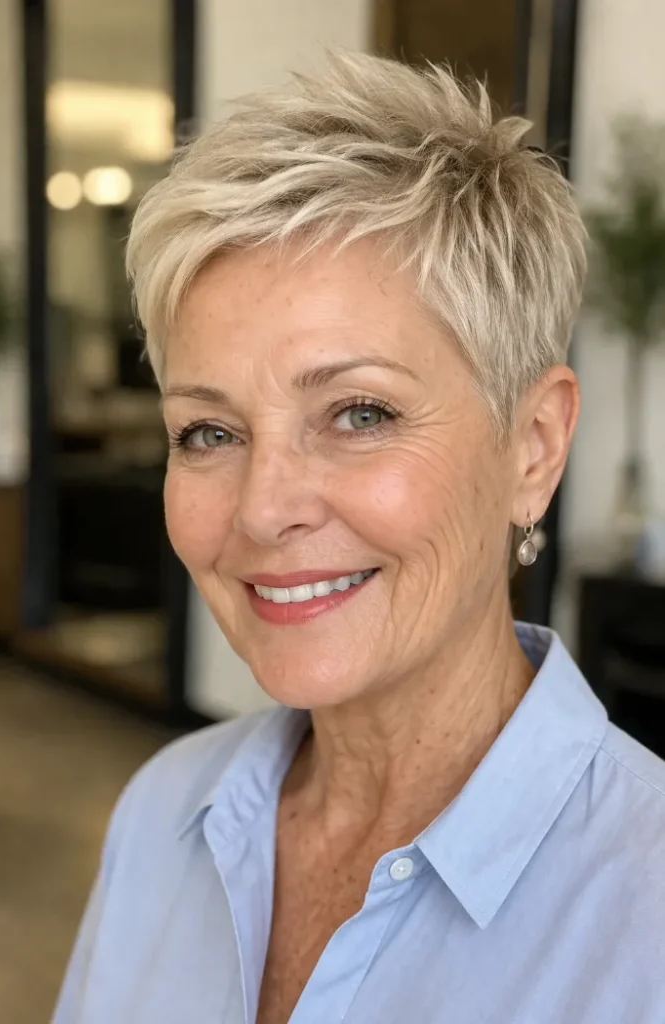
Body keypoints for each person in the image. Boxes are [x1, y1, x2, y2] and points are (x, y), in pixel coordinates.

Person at [54, 52, 665, 1024]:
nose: (262, 510)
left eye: (359, 413)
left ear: (532, 446)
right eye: (207, 431)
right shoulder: (162, 815)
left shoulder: (644, 914)